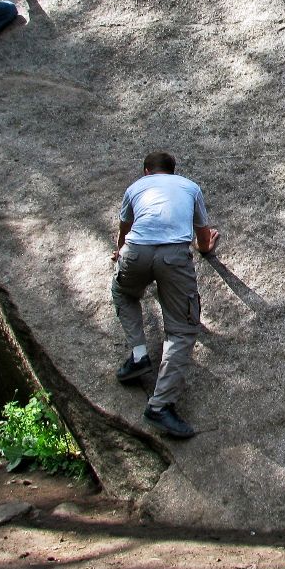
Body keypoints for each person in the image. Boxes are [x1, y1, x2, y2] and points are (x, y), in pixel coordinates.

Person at [111, 150, 219, 439]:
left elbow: (125, 229)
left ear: (147, 171)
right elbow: (203, 232)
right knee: (182, 330)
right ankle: (160, 406)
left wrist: (120, 252)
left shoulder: (135, 187)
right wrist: (206, 249)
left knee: (123, 291)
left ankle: (138, 354)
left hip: (136, 252)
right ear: (173, 171)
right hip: (174, 256)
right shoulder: (190, 187)